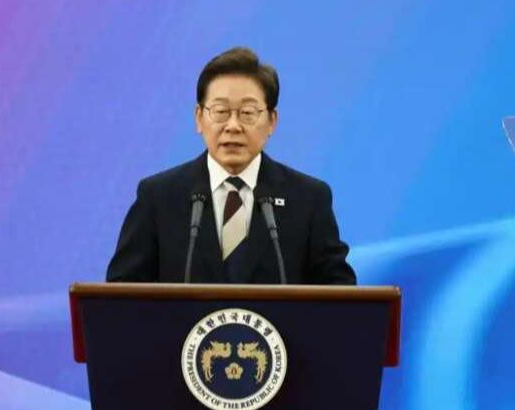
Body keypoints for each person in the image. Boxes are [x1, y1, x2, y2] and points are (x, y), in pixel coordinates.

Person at [106, 47, 356, 285]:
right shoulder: (158, 197)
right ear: (199, 118)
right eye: (221, 111)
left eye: (247, 113)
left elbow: (339, 294)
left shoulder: (309, 199)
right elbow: (122, 293)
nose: (233, 126)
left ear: (272, 121)